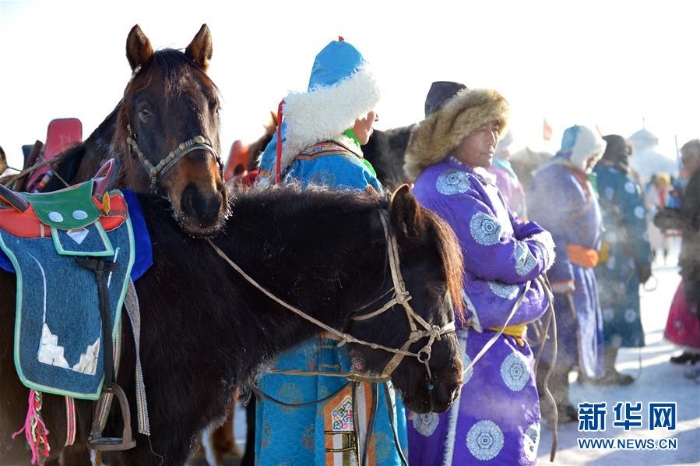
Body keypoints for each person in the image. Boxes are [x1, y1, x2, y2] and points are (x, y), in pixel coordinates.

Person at [253, 38, 408, 465]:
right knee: (344, 451)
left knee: (286, 450)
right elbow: (376, 273)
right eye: (372, 104)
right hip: (339, 361)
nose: (376, 117)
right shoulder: (348, 170)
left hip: (282, 355)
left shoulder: (278, 165)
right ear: (352, 105)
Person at [403, 80, 555, 465]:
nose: (494, 137)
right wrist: (543, 255)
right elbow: (507, 259)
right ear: (453, 131)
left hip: (482, 351)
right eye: (482, 126)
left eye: (496, 128)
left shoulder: (472, 180)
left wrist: (533, 246)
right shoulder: (448, 185)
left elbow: (520, 229)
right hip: (473, 357)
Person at [527, 124, 607, 423]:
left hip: (580, 272)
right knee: (556, 343)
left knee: (572, 340)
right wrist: (562, 276)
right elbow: (550, 227)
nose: (592, 162)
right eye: (590, 155)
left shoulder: (574, 175)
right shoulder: (554, 176)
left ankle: (561, 401)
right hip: (565, 274)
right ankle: (551, 404)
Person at [588, 134, 653, 385]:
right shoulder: (624, 182)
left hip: (590, 257)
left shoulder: (587, 177)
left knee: (595, 311)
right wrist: (644, 262)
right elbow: (636, 226)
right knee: (615, 311)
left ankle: (588, 371)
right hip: (618, 259)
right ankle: (606, 371)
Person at [655, 139, 700, 371]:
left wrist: (674, 216)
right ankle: (694, 351)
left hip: (697, 255)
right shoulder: (693, 181)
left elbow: (695, 220)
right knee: (692, 305)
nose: (683, 163)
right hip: (693, 254)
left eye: (686, 159)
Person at [485, 130, 528, 219]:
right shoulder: (499, 173)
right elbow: (502, 210)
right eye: (505, 147)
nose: (508, 152)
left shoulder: (504, 169)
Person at [644, 172, 674, 265]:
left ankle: (666, 257)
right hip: (656, 217)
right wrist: (655, 208)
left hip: (668, 216)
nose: (662, 184)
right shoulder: (652, 191)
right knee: (654, 239)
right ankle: (654, 258)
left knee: (667, 239)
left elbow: (674, 202)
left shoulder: (670, 190)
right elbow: (648, 202)